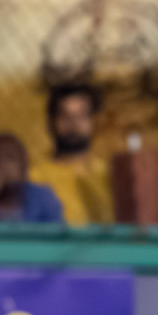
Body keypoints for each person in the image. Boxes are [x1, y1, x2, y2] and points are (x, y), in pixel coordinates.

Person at [30, 84, 114, 226]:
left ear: (94, 122)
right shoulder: (34, 179)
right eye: (64, 115)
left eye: (82, 116)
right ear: (50, 122)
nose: (73, 123)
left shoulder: (110, 176)